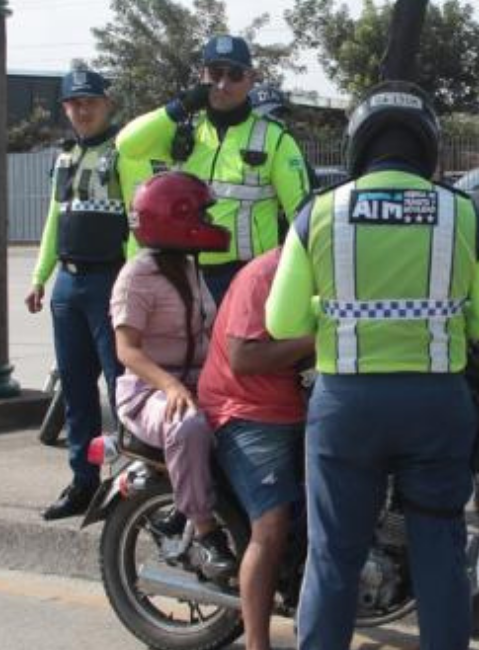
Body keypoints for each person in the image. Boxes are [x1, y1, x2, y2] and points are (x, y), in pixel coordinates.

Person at [265, 80, 479, 650]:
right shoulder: (464, 215)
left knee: (333, 555)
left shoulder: (319, 214)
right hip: (436, 405)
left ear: (357, 146)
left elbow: (280, 322)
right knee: (440, 551)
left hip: (346, 407)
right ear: (429, 147)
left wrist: (331, 311)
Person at [30, 69, 153, 521]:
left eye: (91, 102)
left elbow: (138, 223)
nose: (83, 110)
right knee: (77, 390)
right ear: (66, 109)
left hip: (109, 280)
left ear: (108, 104)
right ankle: (83, 480)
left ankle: (136, 483)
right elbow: (53, 222)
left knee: (122, 386)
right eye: (75, 103)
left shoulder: (124, 154)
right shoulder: (63, 158)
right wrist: (41, 276)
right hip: (68, 284)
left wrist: (136, 281)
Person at [116, 35, 312, 305]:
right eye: (215, 73)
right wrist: (180, 106)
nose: (223, 84)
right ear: (202, 75)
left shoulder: (275, 138)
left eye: (234, 74)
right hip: (184, 275)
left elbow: (302, 218)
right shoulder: (184, 129)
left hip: (246, 278)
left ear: (251, 79)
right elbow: (127, 144)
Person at [109, 171, 236, 581]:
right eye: (200, 213)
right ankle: (204, 530)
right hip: (148, 392)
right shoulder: (137, 275)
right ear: (172, 216)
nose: (209, 221)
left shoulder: (188, 267)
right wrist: (170, 385)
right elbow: (126, 350)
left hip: (198, 382)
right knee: (188, 426)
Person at [197, 246, 314, 650]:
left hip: (300, 405)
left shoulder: (332, 269)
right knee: (272, 520)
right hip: (246, 411)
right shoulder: (265, 275)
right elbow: (244, 357)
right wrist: (317, 338)